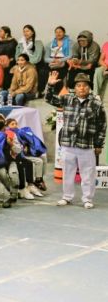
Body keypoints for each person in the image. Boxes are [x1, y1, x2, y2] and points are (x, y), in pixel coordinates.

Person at [45, 72, 105, 209]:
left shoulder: (96, 103)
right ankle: (67, 197)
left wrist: (99, 144)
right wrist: (50, 84)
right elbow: (49, 99)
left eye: (84, 85)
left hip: (87, 145)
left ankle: (87, 199)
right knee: (67, 172)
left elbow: (102, 125)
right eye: (79, 85)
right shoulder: (67, 99)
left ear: (89, 87)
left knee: (88, 173)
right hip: (68, 143)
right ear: (75, 87)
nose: (82, 88)